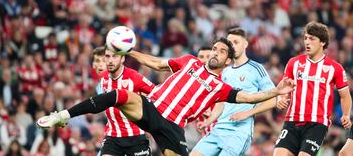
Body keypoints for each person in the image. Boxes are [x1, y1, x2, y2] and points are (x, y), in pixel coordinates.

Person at [37, 37, 295, 156]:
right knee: (119, 94)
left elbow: (249, 98)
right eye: (214, 48)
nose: (214, 52)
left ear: (228, 60)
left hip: (172, 127)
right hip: (152, 108)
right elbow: (157, 64)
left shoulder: (220, 86)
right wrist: (131, 52)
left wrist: (277, 91)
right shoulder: (189, 62)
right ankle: (63, 115)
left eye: (220, 51)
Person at [191, 28, 278, 156]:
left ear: (246, 44)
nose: (232, 46)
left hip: (238, 133)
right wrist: (208, 122)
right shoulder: (226, 71)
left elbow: (273, 99)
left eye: (236, 42)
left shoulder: (256, 69)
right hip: (218, 129)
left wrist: (247, 113)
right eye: (230, 43)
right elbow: (222, 102)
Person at [273, 22, 352, 156]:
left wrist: (345, 114)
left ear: (322, 42)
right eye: (305, 38)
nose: (307, 42)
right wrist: (280, 98)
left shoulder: (335, 68)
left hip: (317, 124)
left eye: (312, 39)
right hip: (292, 121)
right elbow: (283, 88)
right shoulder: (294, 63)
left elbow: (345, 95)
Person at [91, 46, 155, 156]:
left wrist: (150, 122)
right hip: (113, 137)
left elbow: (156, 94)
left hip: (136, 137)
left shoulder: (135, 77)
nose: (110, 60)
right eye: (107, 56)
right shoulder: (103, 78)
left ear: (123, 59)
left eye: (115, 56)